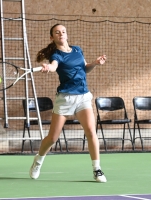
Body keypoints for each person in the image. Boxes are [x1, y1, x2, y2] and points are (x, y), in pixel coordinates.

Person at [29, 24, 107, 183]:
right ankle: (38, 161)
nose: (61, 34)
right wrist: (48, 67)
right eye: (57, 32)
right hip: (65, 99)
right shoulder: (56, 55)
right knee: (52, 138)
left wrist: (95, 63)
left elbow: (84, 69)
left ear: (66, 34)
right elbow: (53, 66)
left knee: (91, 132)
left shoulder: (77, 50)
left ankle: (97, 169)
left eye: (63, 31)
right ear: (52, 37)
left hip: (83, 96)